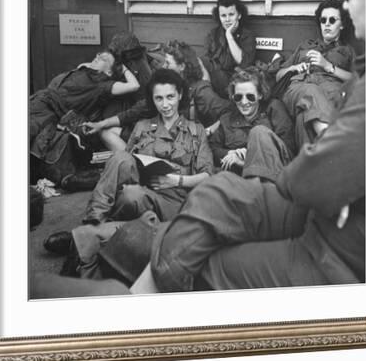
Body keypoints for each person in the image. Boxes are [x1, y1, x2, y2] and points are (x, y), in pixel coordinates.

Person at [149, 0, 366, 293]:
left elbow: (305, 179)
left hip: (336, 248)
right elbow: (268, 83)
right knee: (215, 192)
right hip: (311, 199)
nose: (344, 6)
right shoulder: (352, 64)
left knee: (209, 253)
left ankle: (147, 283)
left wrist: (308, 169)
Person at [82, 68, 214, 225]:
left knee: (130, 197)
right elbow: (125, 167)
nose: (165, 105)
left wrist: (177, 181)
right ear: (152, 99)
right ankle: (94, 219)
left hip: (174, 200)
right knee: (121, 162)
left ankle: (102, 228)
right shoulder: (142, 126)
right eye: (159, 98)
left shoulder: (196, 131)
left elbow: (207, 175)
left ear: (180, 95)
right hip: (141, 190)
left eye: (170, 97)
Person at [83, 40, 232, 149]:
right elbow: (134, 112)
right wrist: (100, 124)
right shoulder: (162, 85)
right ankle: (133, 166)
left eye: (168, 63)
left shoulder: (200, 91)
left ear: (182, 66)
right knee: (107, 132)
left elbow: (229, 113)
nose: (163, 66)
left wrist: (207, 132)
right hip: (159, 137)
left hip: (183, 147)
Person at [29, 50, 140, 183]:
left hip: (47, 110)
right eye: (98, 55)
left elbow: (134, 86)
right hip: (39, 102)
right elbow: (88, 64)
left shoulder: (102, 84)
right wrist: (100, 62)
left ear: (109, 72)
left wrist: (123, 68)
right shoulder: (84, 69)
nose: (98, 57)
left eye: (103, 59)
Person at [274, 0, 356, 148]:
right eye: (323, 20)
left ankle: (310, 165)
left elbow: (357, 80)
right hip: (299, 88)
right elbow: (278, 76)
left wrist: (328, 66)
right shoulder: (306, 45)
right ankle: (331, 141)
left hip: (330, 94)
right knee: (310, 92)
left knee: (304, 117)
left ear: (342, 24)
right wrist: (292, 68)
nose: (327, 24)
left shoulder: (347, 51)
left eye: (332, 20)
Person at [209, 67, 293, 179]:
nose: (244, 102)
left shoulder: (274, 108)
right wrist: (232, 153)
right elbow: (213, 148)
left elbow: (288, 148)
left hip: (276, 174)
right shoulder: (227, 119)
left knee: (258, 131)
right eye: (238, 97)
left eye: (250, 96)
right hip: (240, 176)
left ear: (260, 95)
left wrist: (249, 155)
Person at [201, 0, 257, 98]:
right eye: (223, 15)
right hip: (213, 80)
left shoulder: (247, 35)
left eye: (231, 15)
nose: (227, 20)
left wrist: (229, 36)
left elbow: (244, 62)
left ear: (239, 15)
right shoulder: (213, 34)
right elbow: (206, 61)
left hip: (235, 81)